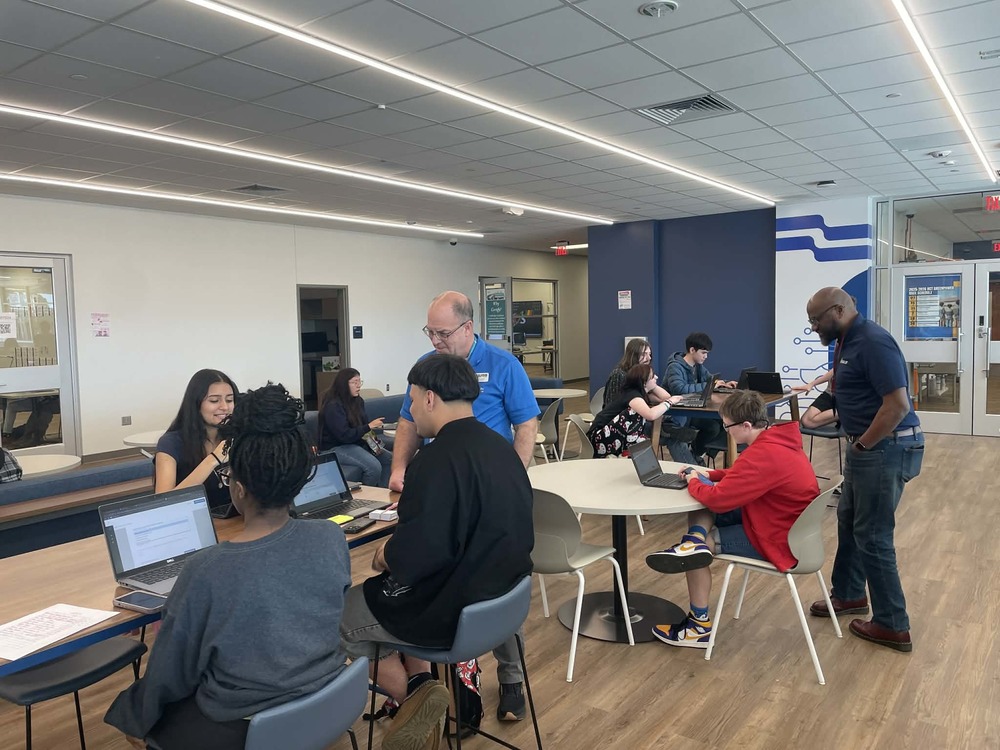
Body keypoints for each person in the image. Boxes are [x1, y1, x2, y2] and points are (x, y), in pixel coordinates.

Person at [105, 383, 352, 749]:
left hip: (246, 723)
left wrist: (135, 709)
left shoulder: (206, 569)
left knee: (134, 717)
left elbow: (171, 676)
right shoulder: (330, 538)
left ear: (237, 489)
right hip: (328, 697)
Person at [340, 355, 533, 750]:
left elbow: (416, 561)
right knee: (385, 595)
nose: (409, 410)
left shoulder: (433, 460)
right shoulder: (503, 449)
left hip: (457, 612)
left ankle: (417, 700)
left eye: (411, 400)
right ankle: (421, 687)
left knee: (342, 614)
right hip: (504, 600)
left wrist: (387, 553)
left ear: (430, 398)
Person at [388, 291, 538, 722]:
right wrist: (399, 471)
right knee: (449, 575)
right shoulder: (427, 371)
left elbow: (525, 425)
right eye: (429, 331)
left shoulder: (504, 365)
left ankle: (510, 680)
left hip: (488, 487)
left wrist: (510, 478)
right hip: (442, 486)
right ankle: (450, 685)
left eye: (442, 332)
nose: (435, 339)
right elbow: (408, 422)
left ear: (468, 328)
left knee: (496, 575)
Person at [644, 390, 819, 648]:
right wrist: (709, 476)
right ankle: (693, 541)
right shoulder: (777, 440)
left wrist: (695, 480)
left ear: (746, 426)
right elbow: (741, 475)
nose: (726, 432)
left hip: (779, 539)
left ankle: (697, 628)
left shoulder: (763, 455)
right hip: (781, 522)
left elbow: (718, 499)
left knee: (700, 538)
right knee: (701, 503)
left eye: (727, 427)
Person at [804, 287, 924, 652]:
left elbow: (897, 405)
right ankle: (851, 594)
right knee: (849, 519)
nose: (813, 328)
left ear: (837, 311)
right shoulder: (847, 340)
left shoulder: (873, 342)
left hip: (884, 447)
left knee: (872, 535)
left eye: (815, 320)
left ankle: (892, 624)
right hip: (869, 447)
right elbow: (848, 391)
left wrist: (862, 444)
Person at [153, 369, 237, 512]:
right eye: (214, 400)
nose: (225, 407)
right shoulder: (171, 443)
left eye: (229, 400)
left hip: (235, 521)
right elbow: (162, 503)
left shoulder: (235, 435)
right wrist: (213, 459)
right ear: (196, 404)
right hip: (190, 522)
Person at [663, 332, 737, 463]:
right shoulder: (674, 367)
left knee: (723, 422)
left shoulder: (698, 366)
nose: (706, 356)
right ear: (692, 350)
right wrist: (710, 385)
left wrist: (724, 383)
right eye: (703, 353)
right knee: (712, 427)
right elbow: (680, 390)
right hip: (677, 415)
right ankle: (696, 456)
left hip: (691, 411)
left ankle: (696, 454)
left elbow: (710, 380)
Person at [318, 367, 392, 487]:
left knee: (389, 459)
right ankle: (367, 499)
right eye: (354, 382)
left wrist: (375, 445)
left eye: (359, 382)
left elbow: (363, 426)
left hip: (355, 443)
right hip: (336, 447)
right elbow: (344, 436)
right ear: (343, 384)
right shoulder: (333, 405)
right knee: (374, 467)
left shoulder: (358, 401)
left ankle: (383, 495)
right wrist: (368, 426)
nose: (358, 386)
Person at [588, 364, 681, 457]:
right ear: (644, 382)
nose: (656, 377)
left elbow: (666, 397)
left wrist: (653, 385)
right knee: (634, 412)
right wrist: (669, 402)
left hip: (609, 437)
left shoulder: (639, 393)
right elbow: (651, 415)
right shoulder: (633, 396)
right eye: (652, 376)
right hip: (599, 439)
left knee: (643, 440)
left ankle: (667, 431)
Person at [602, 338, 651, 407]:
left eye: (649, 354)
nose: (649, 358)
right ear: (633, 355)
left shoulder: (642, 374)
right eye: (643, 354)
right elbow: (612, 405)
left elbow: (663, 396)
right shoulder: (619, 375)